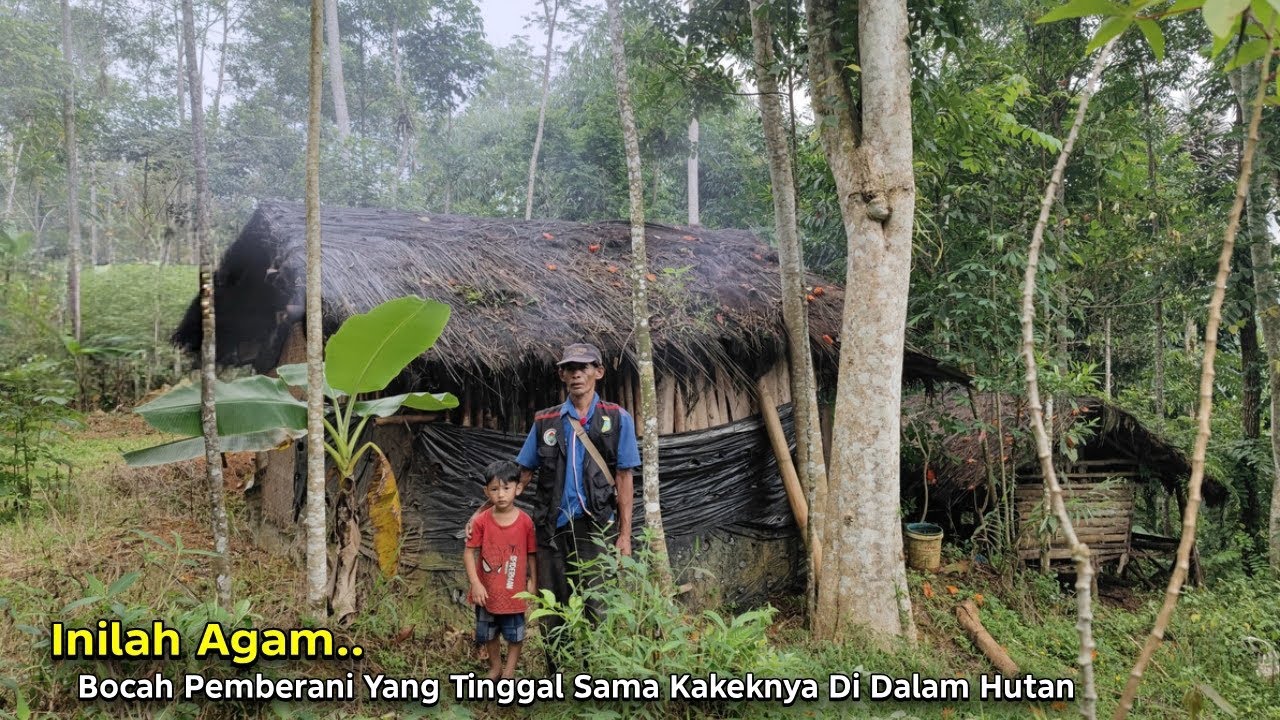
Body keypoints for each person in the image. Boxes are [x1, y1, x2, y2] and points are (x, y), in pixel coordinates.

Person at [515, 343, 640, 648]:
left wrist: (624, 536)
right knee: (552, 605)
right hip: (551, 524)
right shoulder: (546, 421)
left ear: (598, 372)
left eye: (583, 368)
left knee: (597, 603)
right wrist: (485, 511)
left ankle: (595, 671)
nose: (576, 375)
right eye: (570, 368)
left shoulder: (617, 418)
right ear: (561, 375)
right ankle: (556, 674)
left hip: (596, 524)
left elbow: (624, 477)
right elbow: (523, 474)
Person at [464, 460, 537, 680]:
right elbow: (469, 553)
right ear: (486, 491)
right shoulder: (481, 522)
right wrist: (476, 583)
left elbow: (532, 554)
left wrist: (534, 581)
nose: (501, 495)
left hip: (514, 592)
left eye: (507, 488)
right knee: (488, 633)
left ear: (519, 488)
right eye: (495, 489)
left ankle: (509, 672)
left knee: (515, 635)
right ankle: (495, 667)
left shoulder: (525, 522)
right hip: (487, 593)